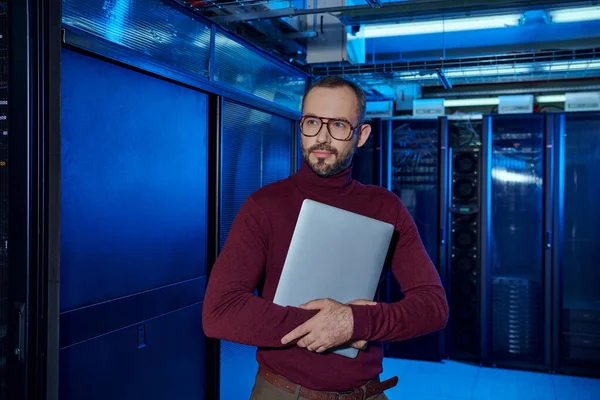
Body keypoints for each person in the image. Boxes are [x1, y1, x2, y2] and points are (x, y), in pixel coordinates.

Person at [202, 76, 449, 400]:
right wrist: (328, 325)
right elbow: (220, 311)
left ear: (361, 135)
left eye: (338, 125)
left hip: (365, 392)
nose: (322, 137)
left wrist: (357, 322)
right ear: (300, 125)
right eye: (313, 122)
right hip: (282, 392)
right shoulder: (264, 206)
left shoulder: (386, 207)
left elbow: (433, 306)